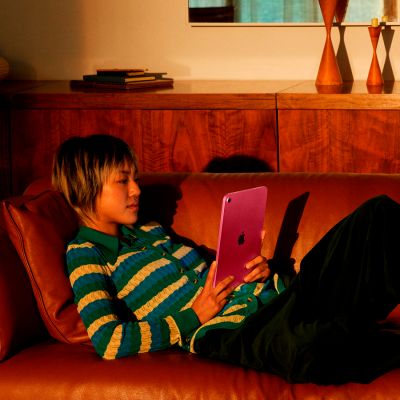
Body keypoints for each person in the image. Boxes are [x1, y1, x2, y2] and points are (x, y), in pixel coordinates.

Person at [52, 134, 400, 385]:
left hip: (276, 299)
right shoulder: (86, 254)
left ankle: (344, 324)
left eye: (136, 179)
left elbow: (219, 275)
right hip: (231, 331)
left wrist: (260, 271)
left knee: (377, 214)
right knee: (310, 347)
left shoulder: (153, 229)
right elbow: (109, 340)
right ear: (87, 187)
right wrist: (193, 316)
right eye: (122, 181)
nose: (136, 190)